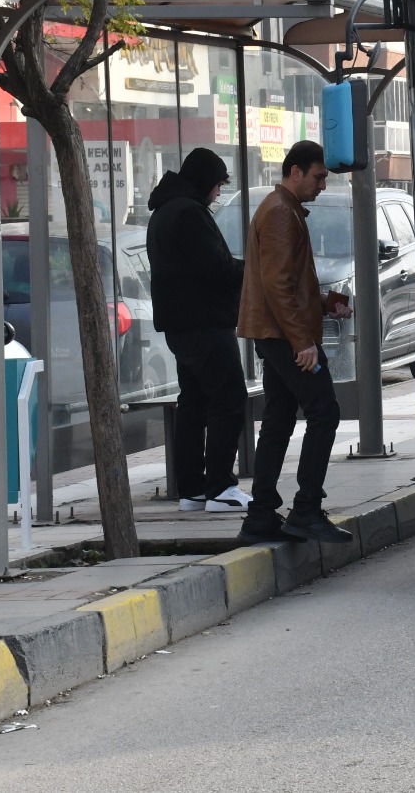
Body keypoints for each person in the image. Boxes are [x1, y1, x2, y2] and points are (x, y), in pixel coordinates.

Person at [234, 141, 354, 545]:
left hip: (276, 332)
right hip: (285, 336)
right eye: (319, 176)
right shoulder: (281, 213)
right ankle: (305, 510)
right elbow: (276, 285)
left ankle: (261, 515)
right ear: (296, 172)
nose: (323, 185)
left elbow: (286, 283)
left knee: (280, 419)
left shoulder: (281, 209)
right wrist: (303, 341)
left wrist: (323, 304)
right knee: (324, 411)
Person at [145, 147, 250, 514]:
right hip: (205, 323)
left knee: (194, 403)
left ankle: (192, 490)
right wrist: (251, 268)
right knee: (229, 398)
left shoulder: (164, 211)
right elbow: (217, 267)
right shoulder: (189, 213)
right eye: (218, 184)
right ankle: (220, 486)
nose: (219, 192)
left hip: (181, 325)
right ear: (204, 180)